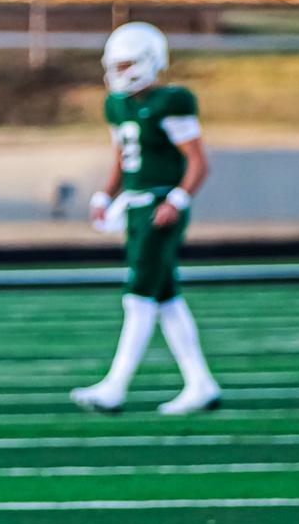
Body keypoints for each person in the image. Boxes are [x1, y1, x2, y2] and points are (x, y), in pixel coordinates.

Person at [71, 21, 221, 416]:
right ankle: (200, 383)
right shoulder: (116, 106)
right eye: (115, 65)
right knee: (167, 299)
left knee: (138, 297)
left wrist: (178, 199)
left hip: (160, 207)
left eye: (127, 65)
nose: (119, 73)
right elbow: (123, 157)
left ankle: (115, 386)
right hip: (135, 208)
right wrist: (106, 194)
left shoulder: (172, 101)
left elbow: (198, 161)